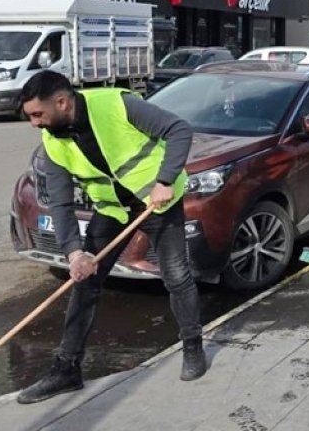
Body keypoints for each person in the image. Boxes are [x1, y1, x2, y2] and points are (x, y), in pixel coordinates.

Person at [16, 71, 204, 404]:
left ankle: (193, 347)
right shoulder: (52, 140)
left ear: (62, 102)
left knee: (176, 277)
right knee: (84, 281)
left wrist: (165, 180)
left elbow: (178, 129)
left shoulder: (117, 105)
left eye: (37, 114)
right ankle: (66, 370)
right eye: (30, 116)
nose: (34, 123)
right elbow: (60, 202)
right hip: (113, 209)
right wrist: (75, 254)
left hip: (156, 202)